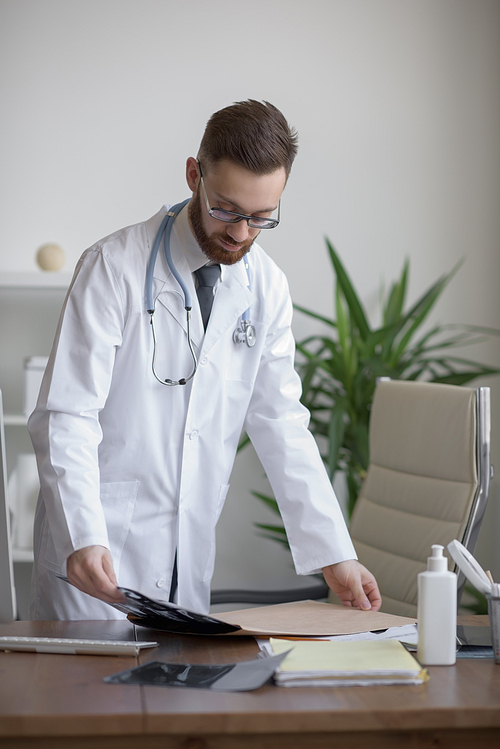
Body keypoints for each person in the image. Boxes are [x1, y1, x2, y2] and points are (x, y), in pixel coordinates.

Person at [28, 100, 382, 620]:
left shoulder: (266, 286)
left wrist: (334, 552)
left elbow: (280, 421)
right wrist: (82, 532)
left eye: (262, 217)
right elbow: (67, 415)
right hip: (96, 557)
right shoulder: (113, 267)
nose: (241, 233)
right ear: (195, 175)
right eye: (226, 209)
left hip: (185, 563)